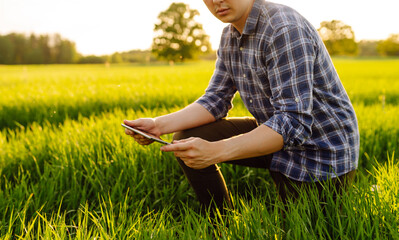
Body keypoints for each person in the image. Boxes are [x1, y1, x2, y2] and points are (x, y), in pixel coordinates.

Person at [124, 0, 359, 213]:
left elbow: (293, 122)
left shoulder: (284, 29)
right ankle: (220, 225)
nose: (216, 1)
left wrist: (215, 152)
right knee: (186, 137)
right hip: (274, 134)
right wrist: (157, 125)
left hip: (319, 150)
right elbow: (215, 99)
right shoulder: (229, 35)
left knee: (299, 228)